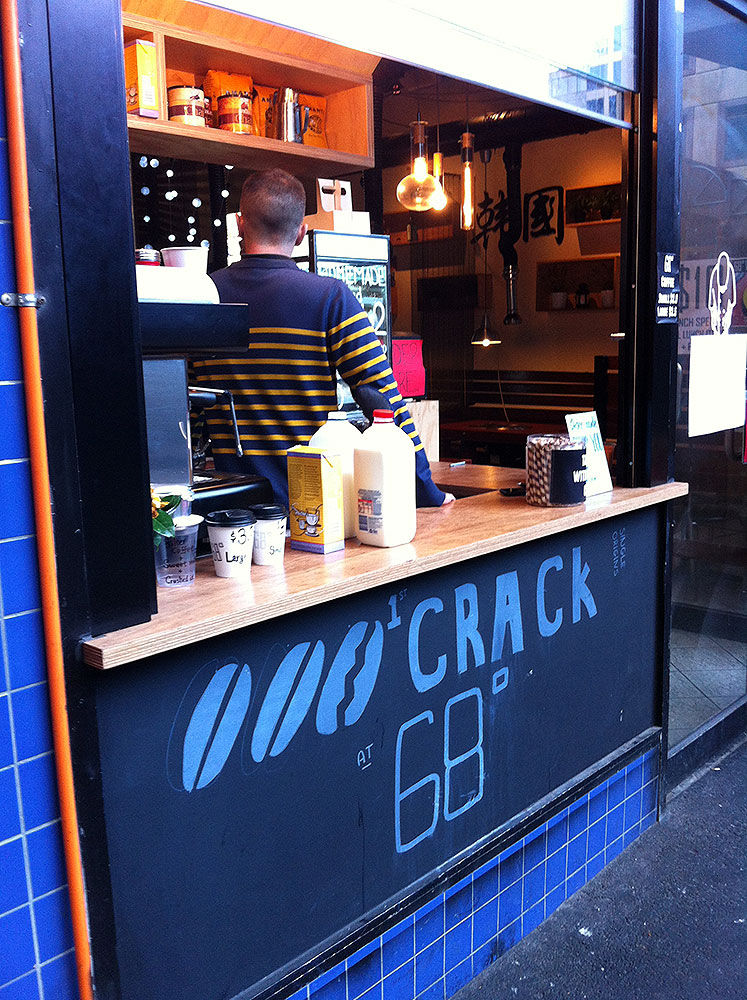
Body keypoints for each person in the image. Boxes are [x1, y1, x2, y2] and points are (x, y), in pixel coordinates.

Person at [192, 169, 454, 508]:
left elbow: (188, 411)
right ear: (302, 232)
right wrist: (426, 490)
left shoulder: (204, 298)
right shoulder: (331, 298)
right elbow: (383, 399)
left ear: (240, 224)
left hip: (230, 516)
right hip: (315, 513)